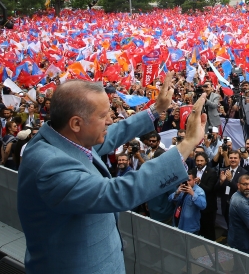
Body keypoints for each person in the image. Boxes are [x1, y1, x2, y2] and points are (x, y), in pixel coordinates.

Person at [17, 72, 206, 273]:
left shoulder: (65, 138)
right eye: (102, 115)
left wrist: (156, 110)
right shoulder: (50, 166)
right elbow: (118, 192)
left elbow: (112, 135)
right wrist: (187, 144)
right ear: (76, 123)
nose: (110, 120)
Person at [228, 174, 249, 255]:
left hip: (237, 238)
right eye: (245, 184)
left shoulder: (236, 195)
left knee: (239, 265)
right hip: (243, 242)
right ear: (238, 185)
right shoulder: (241, 202)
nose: (248, 187)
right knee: (248, 266)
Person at [169, 168, 208, 234]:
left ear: (194, 180)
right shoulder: (181, 188)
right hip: (177, 224)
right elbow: (170, 199)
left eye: (189, 180)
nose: (187, 182)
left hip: (190, 228)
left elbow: (203, 206)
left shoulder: (199, 191)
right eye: (184, 180)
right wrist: (177, 192)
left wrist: (193, 194)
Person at [218, 150, 249, 233]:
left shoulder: (244, 173)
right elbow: (216, 189)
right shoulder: (223, 170)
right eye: (231, 158)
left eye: (235, 158)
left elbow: (242, 190)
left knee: (237, 225)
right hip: (225, 202)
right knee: (228, 222)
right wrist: (221, 181)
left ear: (239, 160)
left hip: (237, 204)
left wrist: (230, 180)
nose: (233, 160)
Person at [194, 152, 219, 241]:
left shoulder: (212, 172)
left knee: (209, 229)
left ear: (206, 161)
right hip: (196, 205)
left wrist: (199, 183)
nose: (199, 163)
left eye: (201, 161)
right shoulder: (192, 171)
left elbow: (209, 189)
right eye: (197, 161)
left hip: (208, 207)